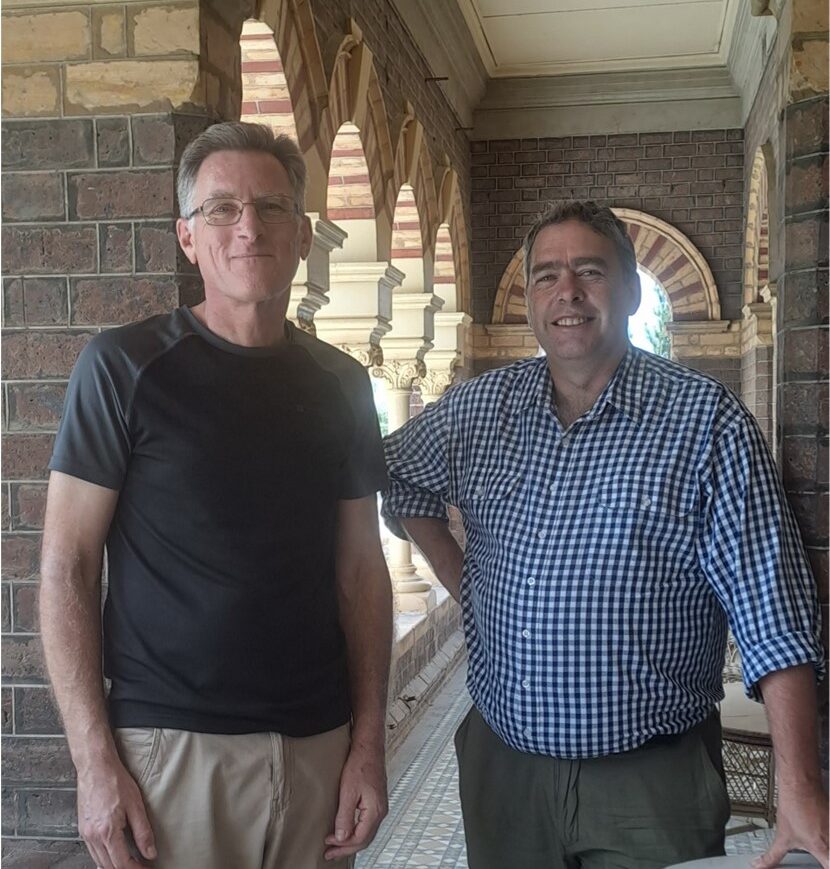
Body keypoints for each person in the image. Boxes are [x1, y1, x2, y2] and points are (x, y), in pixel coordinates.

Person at [382, 200, 827, 869]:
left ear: (630, 289)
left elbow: (776, 615)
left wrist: (800, 787)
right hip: (506, 773)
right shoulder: (480, 410)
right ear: (530, 300)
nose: (568, 292)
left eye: (590, 271)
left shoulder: (706, 424)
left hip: (650, 784)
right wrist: (464, 580)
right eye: (547, 275)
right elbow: (393, 474)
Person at [40, 121, 393, 869]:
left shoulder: (342, 384)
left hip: (318, 748)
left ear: (302, 236)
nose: (248, 228)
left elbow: (362, 569)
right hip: (171, 753)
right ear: (187, 237)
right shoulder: (124, 369)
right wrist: (94, 760)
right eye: (221, 209)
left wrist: (367, 744)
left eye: (270, 208)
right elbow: (68, 565)